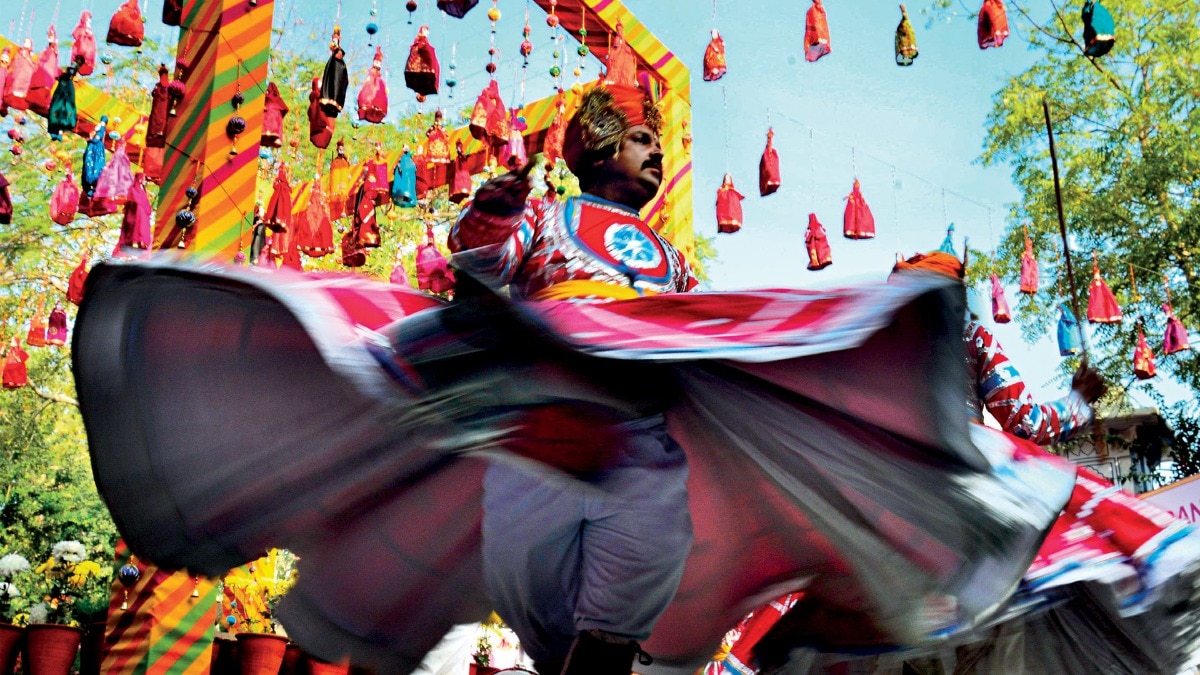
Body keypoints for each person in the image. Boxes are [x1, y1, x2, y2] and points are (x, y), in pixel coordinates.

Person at [448, 82, 695, 675]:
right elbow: (480, 263)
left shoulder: (676, 260)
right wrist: (494, 211)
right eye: (641, 140)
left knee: (625, 605)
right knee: (532, 597)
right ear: (599, 148)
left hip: (638, 438)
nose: (656, 153)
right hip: (541, 435)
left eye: (657, 143)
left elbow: (693, 344)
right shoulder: (546, 217)